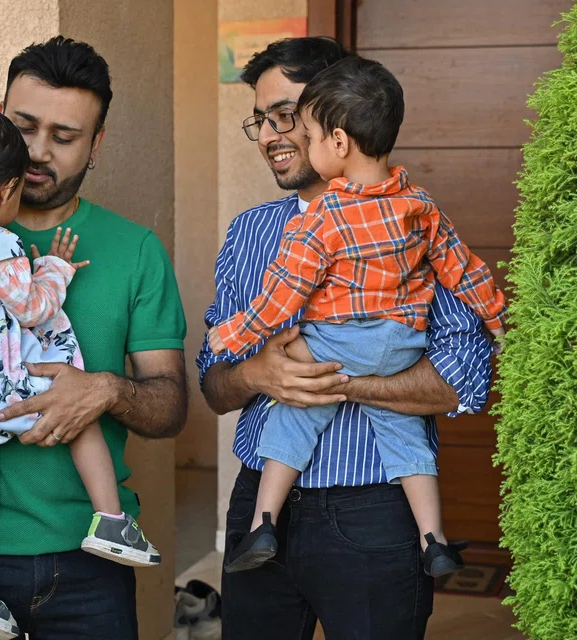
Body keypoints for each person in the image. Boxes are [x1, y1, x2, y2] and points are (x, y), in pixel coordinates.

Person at [0, 37, 187, 640]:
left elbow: (170, 408)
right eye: (22, 127)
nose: (37, 152)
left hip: (86, 570)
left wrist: (103, 390)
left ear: (96, 144)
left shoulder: (135, 252)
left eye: (65, 136)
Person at [198, 37, 495, 639]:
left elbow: (463, 375)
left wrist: (342, 379)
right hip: (260, 503)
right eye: (261, 119)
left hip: (376, 510)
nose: (271, 135)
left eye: (287, 115)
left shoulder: (413, 220)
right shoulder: (250, 232)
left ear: (337, 118)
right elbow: (214, 381)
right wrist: (257, 374)